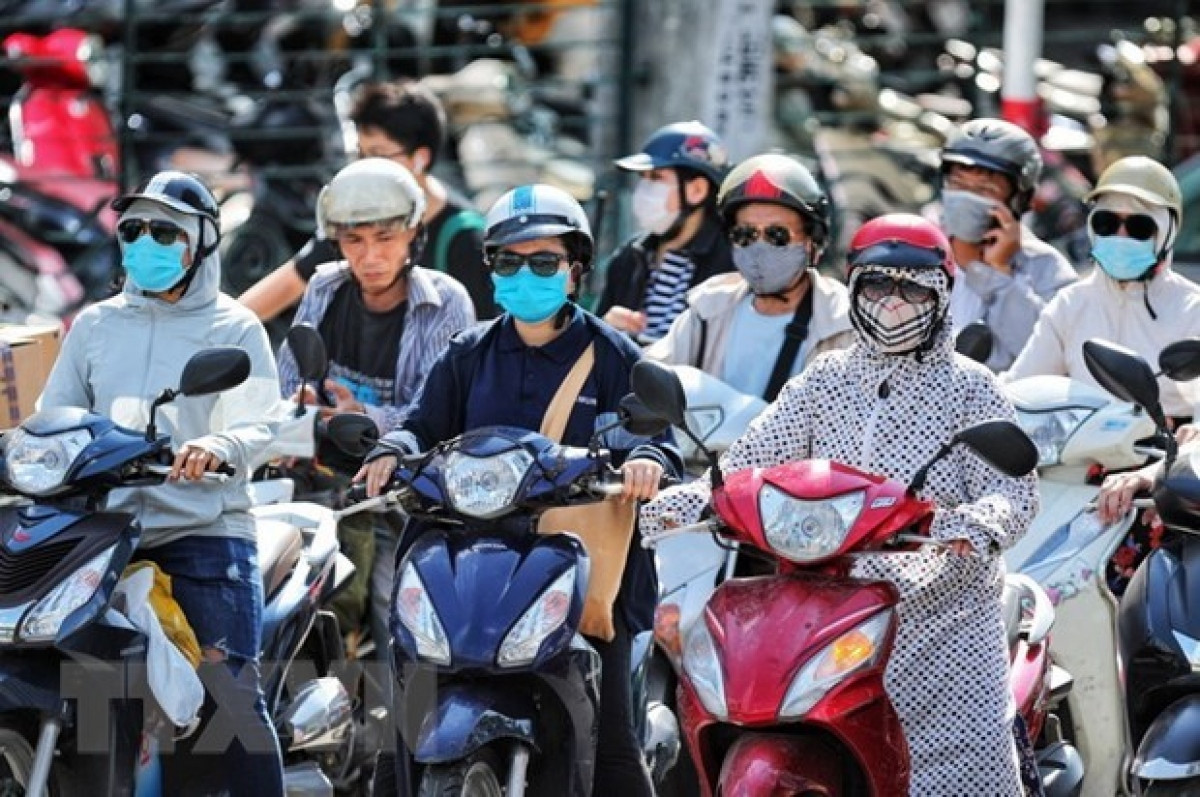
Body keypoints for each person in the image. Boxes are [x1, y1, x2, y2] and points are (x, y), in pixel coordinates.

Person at [642, 213, 1040, 796]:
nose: (893, 303)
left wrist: (975, 524)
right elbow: (750, 460)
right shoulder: (825, 379)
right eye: (877, 286)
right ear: (854, 289)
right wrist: (696, 498)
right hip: (831, 604)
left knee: (970, 773)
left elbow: (1014, 491)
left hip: (944, 616)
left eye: (910, 288)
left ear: (940, 295)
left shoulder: (971, 386)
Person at [357, 183, 682, 796]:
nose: (524, 274)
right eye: (509, 262)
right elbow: (422, 427)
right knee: (398, 722)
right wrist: (390, 451)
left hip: (576, 569)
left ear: (576, 269)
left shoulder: (612, 354)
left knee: (613, 745)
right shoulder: (468, 352)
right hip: (469, 563)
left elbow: (657, 437)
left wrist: (644, 458)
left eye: (543, 262)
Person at [38, 171, 286, 794]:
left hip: (203, 535)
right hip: (102, 537)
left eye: (164, 230)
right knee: (87, 701)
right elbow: (54, 416)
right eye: (132, 229)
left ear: (201, 241)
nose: (144, 241)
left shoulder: (234, 328)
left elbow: (263, 423)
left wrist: (217, 444)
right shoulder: (93, 326)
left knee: (229, 710)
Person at [276, 157, 475, 649]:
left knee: (399, 618)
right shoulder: (323, 287)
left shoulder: (447, 301)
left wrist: (366, 418)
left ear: (413, 236)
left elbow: (439, 412)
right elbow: (287, 381)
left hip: (401, 496)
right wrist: (299, 406)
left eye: (385, 238)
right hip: (318, 487)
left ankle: (400, 723)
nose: (369, 256)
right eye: (354, 240)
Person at [238, 79, 494, 323]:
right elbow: (291, 281)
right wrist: (217, 334)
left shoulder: (464, 237)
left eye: (379, 155)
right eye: (360, 154)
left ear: (421, 158)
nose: (365, 166)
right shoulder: (354, 215)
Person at [1006, 155, 1200, 424]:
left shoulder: (1193, 309)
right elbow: (1019, 390)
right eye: (1107, 224)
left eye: (1139, 227)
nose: (1120, 236)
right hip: (1078, 460)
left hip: (1164, 459)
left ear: (1167, 232)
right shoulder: (1070, 304)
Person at [647, 152, 854, 400]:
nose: (759, 246)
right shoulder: (708, 309)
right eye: (744, 234)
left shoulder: (844, 323)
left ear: (812, 242)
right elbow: (652, 375)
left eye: (777, 235)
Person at [937, 117, 1077, 371]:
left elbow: (1052, 356)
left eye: (985, 190)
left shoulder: (1045, 266)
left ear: (1019, 199)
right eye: (957, 185)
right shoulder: (919, 252)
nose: (966, 198)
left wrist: (999, 275)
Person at [594, 120, 734, 342]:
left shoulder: (731, 264)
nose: (643, 190)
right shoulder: (629, 258)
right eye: (643, 178)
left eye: (657, 178)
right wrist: (605, 329)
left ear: (697, 190)